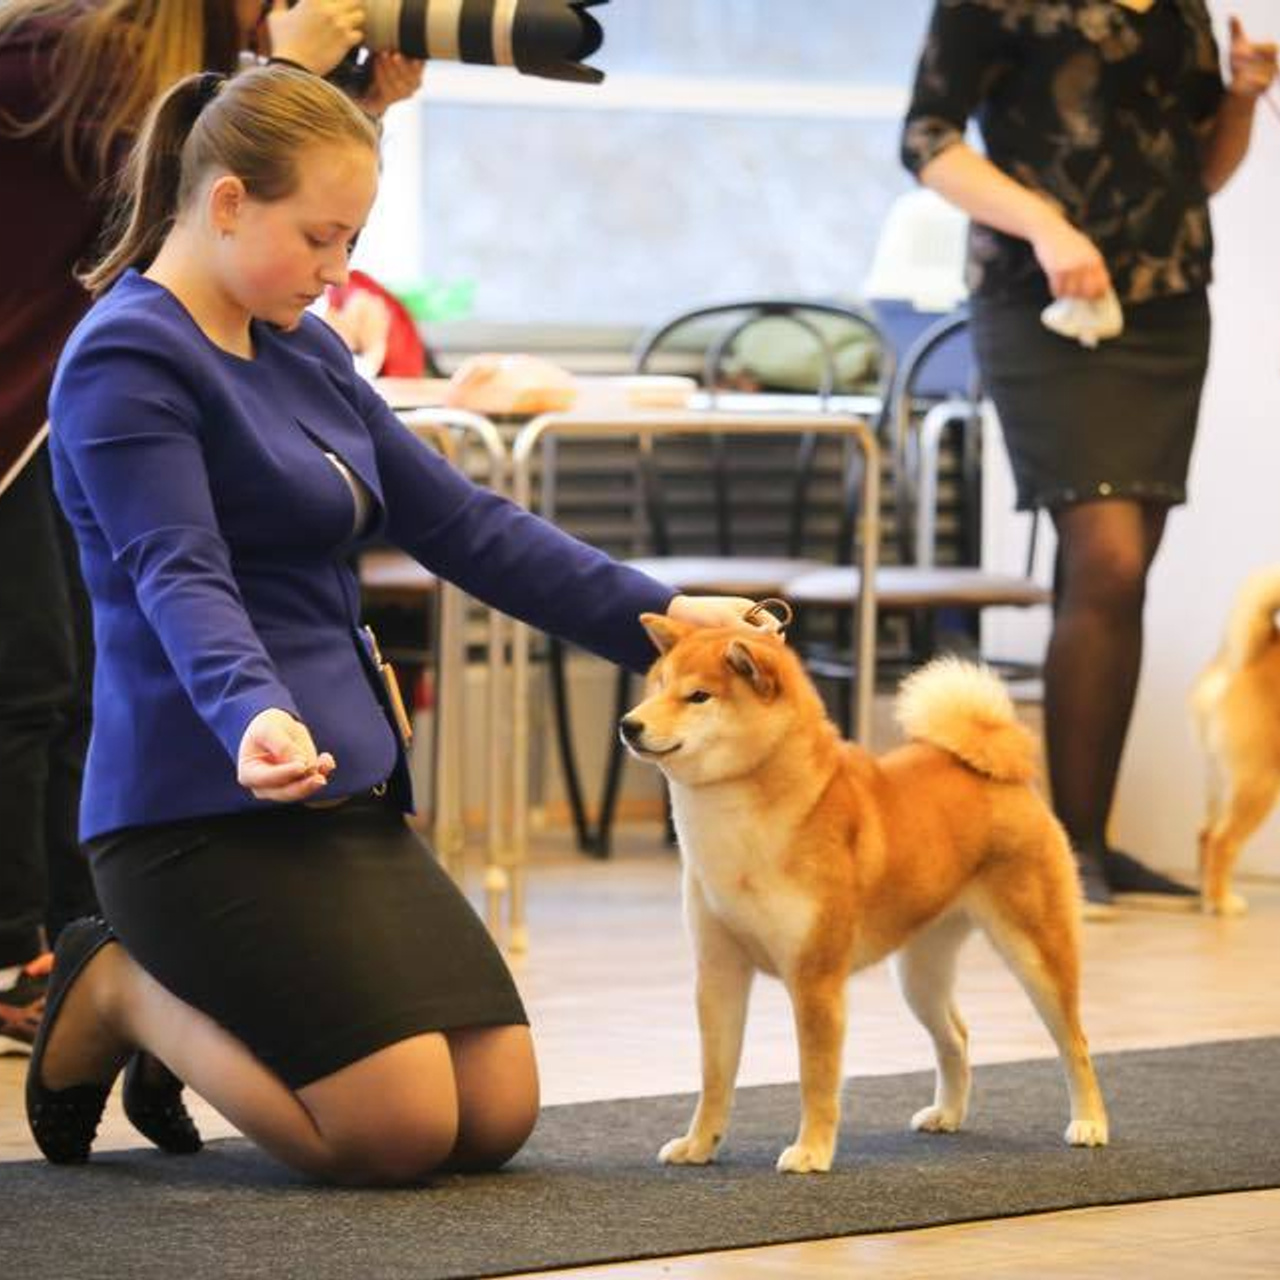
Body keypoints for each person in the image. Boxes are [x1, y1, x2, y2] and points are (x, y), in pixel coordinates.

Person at [29, 63, 770, 1184]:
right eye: (320, 238)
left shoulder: (306, 346)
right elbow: (179, 572)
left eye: (353, 239)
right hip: (198, 801)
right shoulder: (127, 356)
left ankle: (174, 995)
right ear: (226, 201)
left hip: (344, 781)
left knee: (493, 1113)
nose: (339, 273)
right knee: (394, 1130)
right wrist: (254, 712)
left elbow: (466, 523)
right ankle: (121, 987)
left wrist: (660, 614)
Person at [0, 0, 422, 1053]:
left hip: (47, 400)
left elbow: (263, 187)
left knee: (69, 678)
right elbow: (160, 195)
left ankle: (75, 937)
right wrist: (288, 65)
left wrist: (350, 97)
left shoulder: (196, 68)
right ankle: (25, 954)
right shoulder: (53, 55)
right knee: (29, 682)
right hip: (35, 392)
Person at [901, 2, 1277, 909]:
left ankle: (1084, 843)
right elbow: (928, 141)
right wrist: (1047, 227)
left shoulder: (1182, 8)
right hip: (1039, 300)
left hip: (1166, 305)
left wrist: (1241, 99)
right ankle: (1063, 855)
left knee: (1121, 572)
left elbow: (1194, 171)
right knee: (1106, 558)